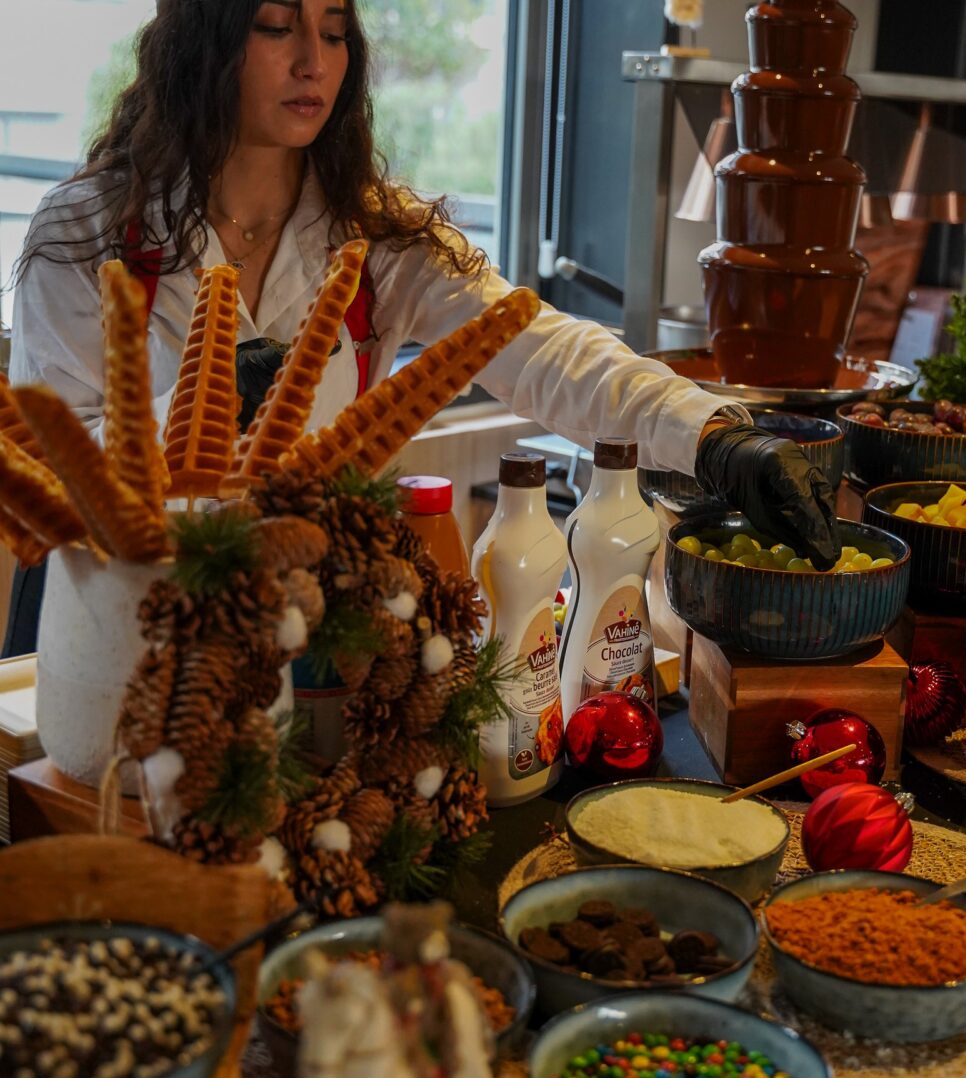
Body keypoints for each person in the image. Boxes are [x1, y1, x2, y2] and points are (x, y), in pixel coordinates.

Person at [3, 0, 839, 655]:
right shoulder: (88, 233)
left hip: (306, 623)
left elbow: (538, 347)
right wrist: (204, 405)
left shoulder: (377, 235)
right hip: (120, 628)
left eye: (335, 32)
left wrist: (711, 436)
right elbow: (50, 462)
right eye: (277, 27)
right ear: (200, 42)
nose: (313, 60)